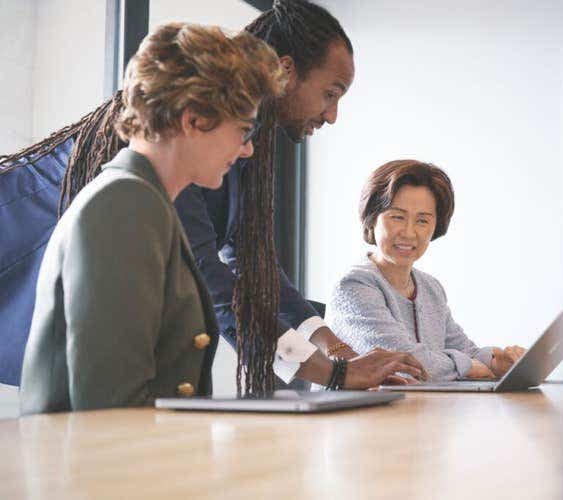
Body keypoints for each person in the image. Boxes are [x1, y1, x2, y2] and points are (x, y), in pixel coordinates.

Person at [0, 0, 427, 391]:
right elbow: (212, 283)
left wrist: (335, 351)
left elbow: (253, 265)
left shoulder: (210, 159)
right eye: (330, 94)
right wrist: (332, 371)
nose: (248, 148)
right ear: (193, 120)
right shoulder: (127, 197)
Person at [20, 23, 285, 413]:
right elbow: (112, 409)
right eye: (244, 130)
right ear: (193, 120)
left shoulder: (143, 201)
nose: (246, 151)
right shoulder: (125, 205)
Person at [326, 160, 526, 381]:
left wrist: (497, 361)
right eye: (397, 217)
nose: (409, 233)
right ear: (372, 219)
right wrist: (468, 367)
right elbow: (403, 363)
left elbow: (462, 349)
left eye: (422, 220)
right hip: (360, 414)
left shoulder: (430, 287)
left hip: (415, 410)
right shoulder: (354, 286)